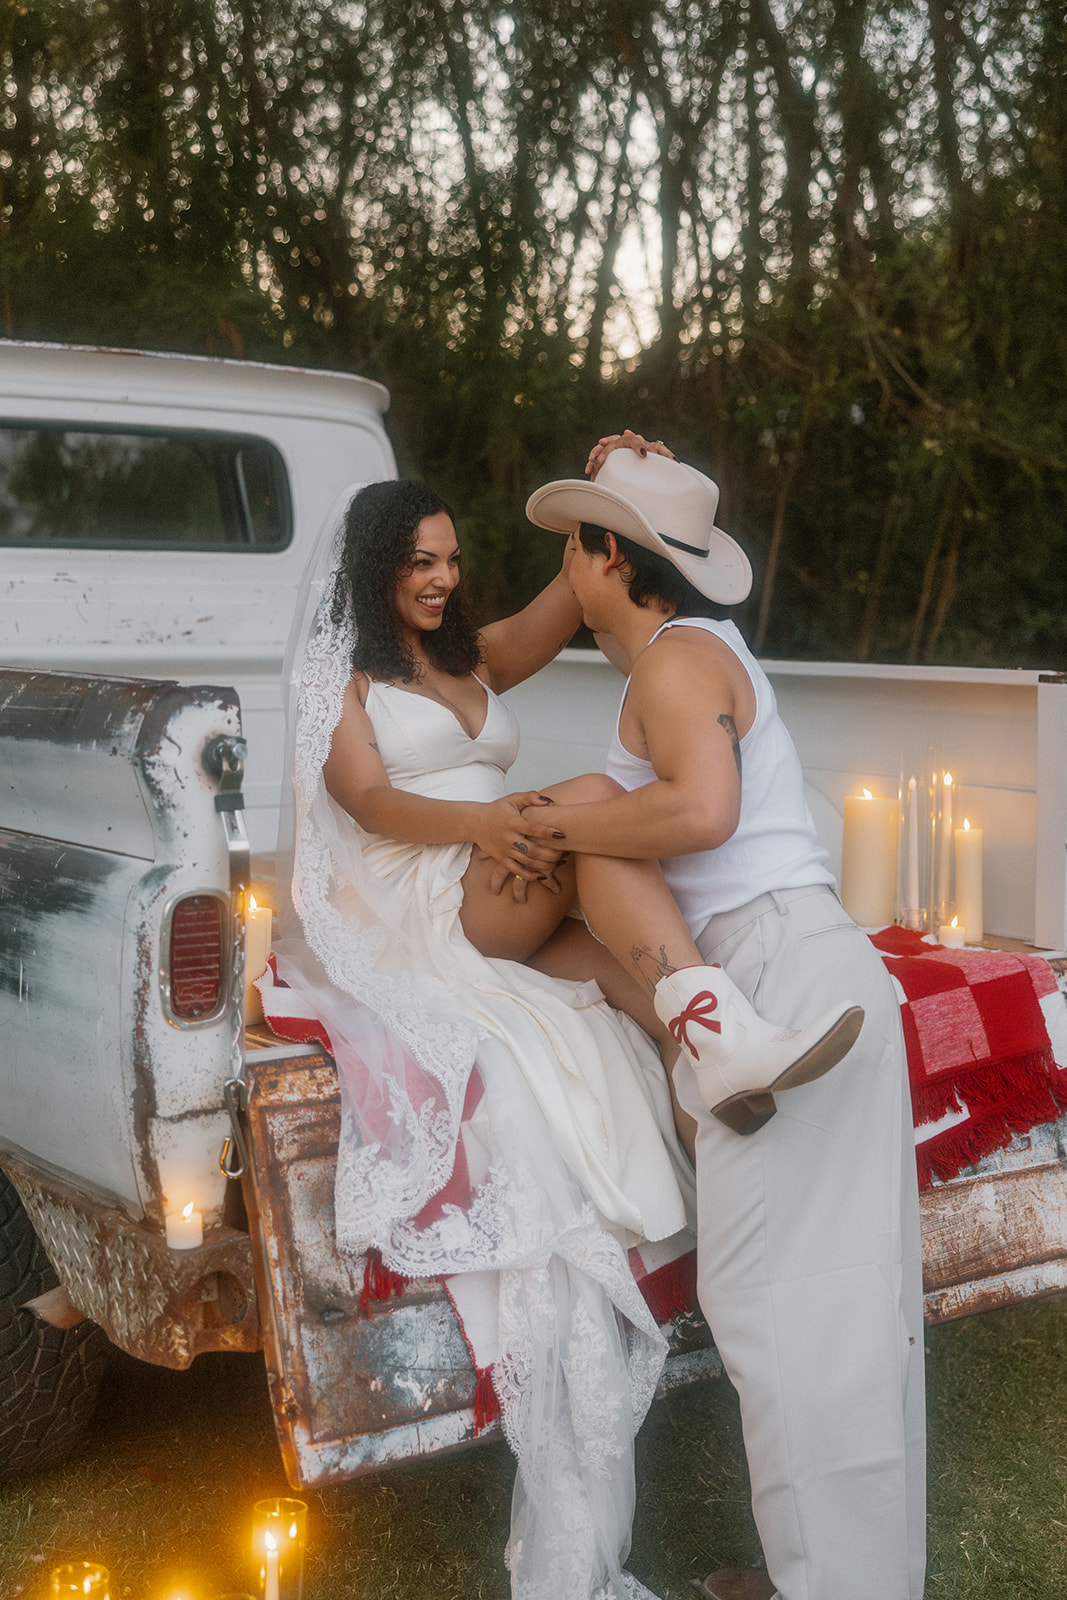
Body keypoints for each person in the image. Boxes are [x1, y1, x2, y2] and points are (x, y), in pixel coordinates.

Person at [272, 475, 861, 1600]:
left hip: (499, 881)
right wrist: (493, 819)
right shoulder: (340, 674)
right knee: (585, 822)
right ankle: (716, 1027)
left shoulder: (471, 653)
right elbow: (363, 799)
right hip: (423, 899)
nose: (442, 580)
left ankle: (707, 1058)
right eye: (420, 563)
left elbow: (582, 578)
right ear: (375, 568)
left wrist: (616, 481)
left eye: (450, 558)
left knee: (602, 968)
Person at [524, 438, 926, 1600]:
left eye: (574, 546)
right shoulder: (691, 651)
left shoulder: (671, 658)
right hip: (813, 965)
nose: (564, 567)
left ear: (611, 555)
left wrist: (562, 830)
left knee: (776, 1310)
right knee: (848, 1312)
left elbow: (701, 810)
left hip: (775, 977)